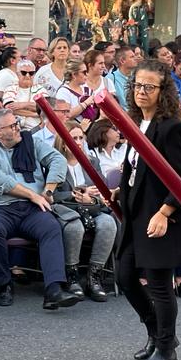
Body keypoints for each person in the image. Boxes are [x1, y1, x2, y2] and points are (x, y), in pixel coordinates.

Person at [113, 59, 181, 360]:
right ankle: (156, 334)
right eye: (137, 85)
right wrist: (123, 191)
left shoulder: (171, 126)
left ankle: (165, 350)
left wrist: (165, 211)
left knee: (159, 284)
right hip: (137, 212)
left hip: (161, 215)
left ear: (163, 91)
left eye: (149, 87)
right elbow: (137, 168)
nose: (142, 92)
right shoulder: (138, 122)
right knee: (124, 275)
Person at [0, 108, 80, 310]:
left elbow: (57, 160)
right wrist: (32, 194)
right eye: (13, 126)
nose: (18, 129)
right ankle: (4, 284)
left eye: (17, 123)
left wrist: (48, 191)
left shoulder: (30, 141)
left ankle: (54, 290)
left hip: (32, 207)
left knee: (50, 227)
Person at [52, 121, 118, 301]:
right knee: (75, 227)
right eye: (74, 138)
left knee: (108, 223)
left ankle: (94, 277)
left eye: (81, 137)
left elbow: (103, 190)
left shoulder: (92, 162)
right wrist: (76, 194)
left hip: (91, 208)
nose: (78, 141)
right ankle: (72, 276)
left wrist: (91, 198)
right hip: (66, 210)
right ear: (63, 142)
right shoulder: (54, 162)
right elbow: (51, 194)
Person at [1, 58, 46, 130]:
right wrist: (35, 114)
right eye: (24, 73)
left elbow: (44, 109)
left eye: (31, 73)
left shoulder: (41, 89)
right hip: (16, 128)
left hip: (37, 128)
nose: (27, 76)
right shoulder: (10, 89)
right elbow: (9, 109)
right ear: (17, 74)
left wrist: (23, 104)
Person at [56, 59, 99, 125]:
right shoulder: (63, 92)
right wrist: (85, 103)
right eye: (84, 72)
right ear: (74, 75)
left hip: (92, 127)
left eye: (87, 71)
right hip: (74, 131)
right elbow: (67, 115)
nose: (87, 75)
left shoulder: (86, 88)